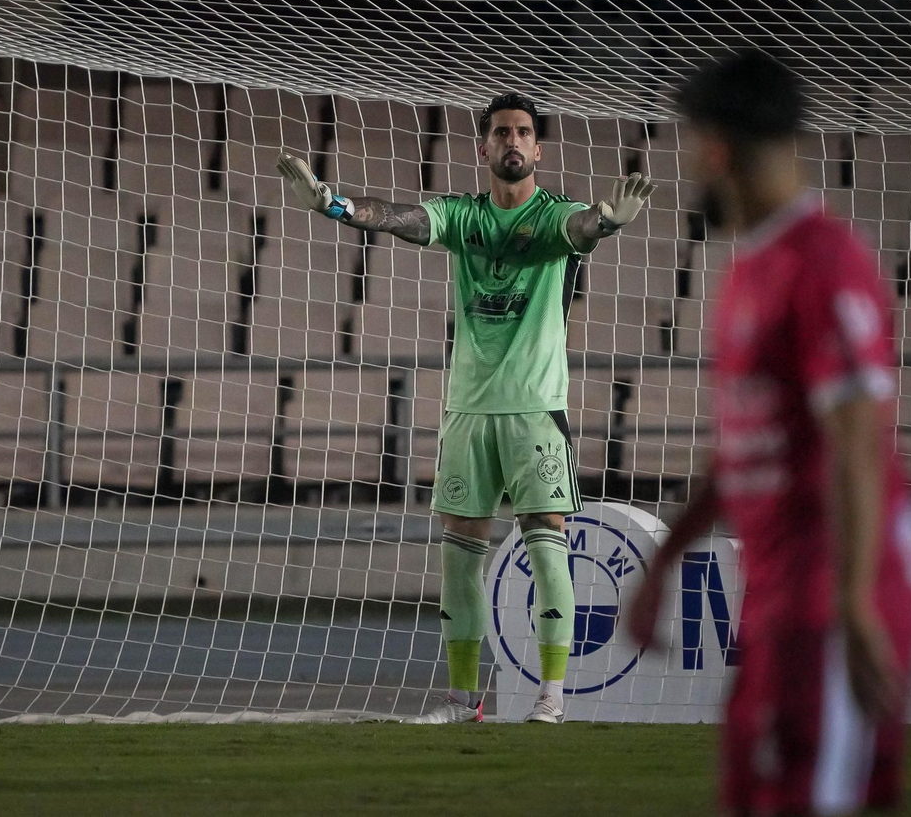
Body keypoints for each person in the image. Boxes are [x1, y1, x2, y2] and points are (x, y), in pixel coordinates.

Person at [277, 93, 656, 724]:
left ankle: (552, 695)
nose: (513, 140)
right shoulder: (462, 216)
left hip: (535, 410)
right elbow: (397, 217)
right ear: (483, 148)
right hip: (468, 412)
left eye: (524, 133)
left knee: (546, 544)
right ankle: (460, 699)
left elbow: (584, 226)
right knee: (458, 553)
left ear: (538, 149)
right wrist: (332, 204)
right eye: (502, 132)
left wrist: (610, 222)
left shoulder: (555, 217)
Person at [624, 50, 911, 815]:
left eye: (692, 142)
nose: (691, 161)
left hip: (830, 604)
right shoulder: (750, 269)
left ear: (717, 146)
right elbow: (748, 446)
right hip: (778, 602)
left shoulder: (824, 264)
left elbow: (857, 437)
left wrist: (853, 606)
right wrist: (666, 557)